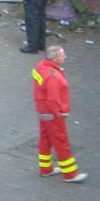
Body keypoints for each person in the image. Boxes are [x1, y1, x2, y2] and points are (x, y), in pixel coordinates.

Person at [32, 46, 87, 183]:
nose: (65, 57)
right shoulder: (53, 76)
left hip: (42, 111)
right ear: (55, 59)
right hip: (53, 115)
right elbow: (53, 99)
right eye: (63, 56)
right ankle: (70, 174)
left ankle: (46, 169)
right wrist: (59, 114)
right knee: (61, 142)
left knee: (45, 140)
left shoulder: (40, 66)